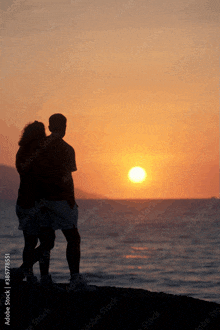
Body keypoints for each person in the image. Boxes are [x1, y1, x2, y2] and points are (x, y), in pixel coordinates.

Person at [33, 113, 88, 291]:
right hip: (61, 199)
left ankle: (44, 278)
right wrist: (70, 199)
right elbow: (66, 176)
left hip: (41, 200)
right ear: (64, 127)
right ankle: (74, 278)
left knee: (46, 238)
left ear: (49, 127)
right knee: (73, 238)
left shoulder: (38, 147)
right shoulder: (67, 148)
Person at [13, 121, 56, 285]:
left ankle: (30, 276)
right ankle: (37, 274)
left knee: (29, 242)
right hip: (39, 203)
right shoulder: (40, 150)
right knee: (48, 241)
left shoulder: (21, 151)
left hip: (23, 202)